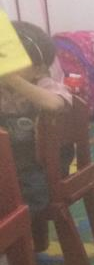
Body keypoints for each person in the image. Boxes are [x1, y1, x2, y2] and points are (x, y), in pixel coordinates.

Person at [0, 21, 71, 224]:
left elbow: (54, 104)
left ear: (39, 69)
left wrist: (14, 80)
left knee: (28, 195)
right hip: (8, 164)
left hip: (41, 168)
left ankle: (17, 232)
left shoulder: (45, 84)